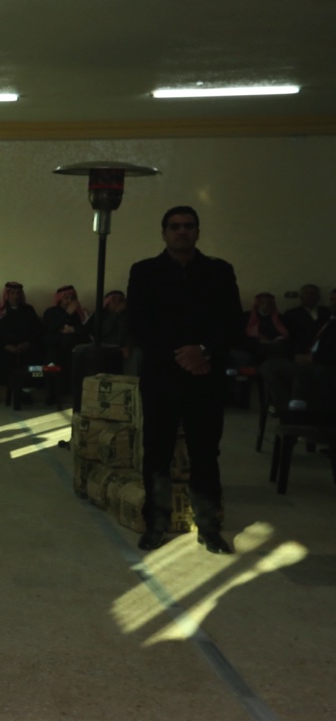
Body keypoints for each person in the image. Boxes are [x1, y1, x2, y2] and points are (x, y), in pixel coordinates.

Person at [127, 206, 242, 554]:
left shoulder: (219, 271)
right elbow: (139, 325)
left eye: (188, 226)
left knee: (205, 453)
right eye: (175, 226)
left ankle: (209, 527)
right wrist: (184, 357)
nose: (182, 231)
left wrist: (203, 351)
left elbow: (232, 323)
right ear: (164, 233)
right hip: (162, 376)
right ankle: (156, 524)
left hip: (205, 377)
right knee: (157, 453)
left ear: (197, 232)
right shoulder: (145, 272)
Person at [283, 284, 330, 357]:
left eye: (313, 294)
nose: (310, 296)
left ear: (318, 297)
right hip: (300, 353)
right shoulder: (291, 314)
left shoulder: (327, 312)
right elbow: (290, 337)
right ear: (301, 296)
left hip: (325, 352)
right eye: (307, 293)